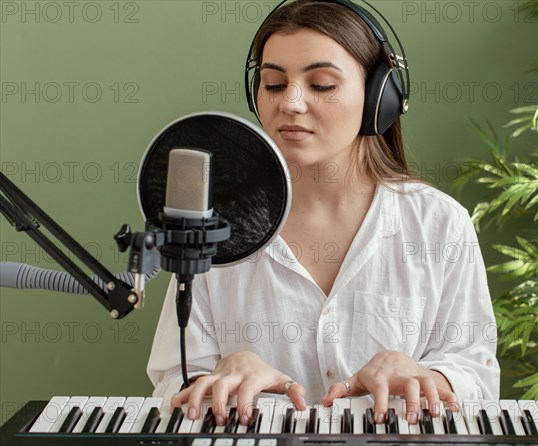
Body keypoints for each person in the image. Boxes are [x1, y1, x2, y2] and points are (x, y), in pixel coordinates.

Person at [147, 0, 500, 427]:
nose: (291, 104)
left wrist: (431, 377)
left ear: (378, 99)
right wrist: (222, 375)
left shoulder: (440, 224)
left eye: (322, 84)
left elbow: (476, 376)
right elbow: (172, 381)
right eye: (274, 84)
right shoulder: (214, 226)